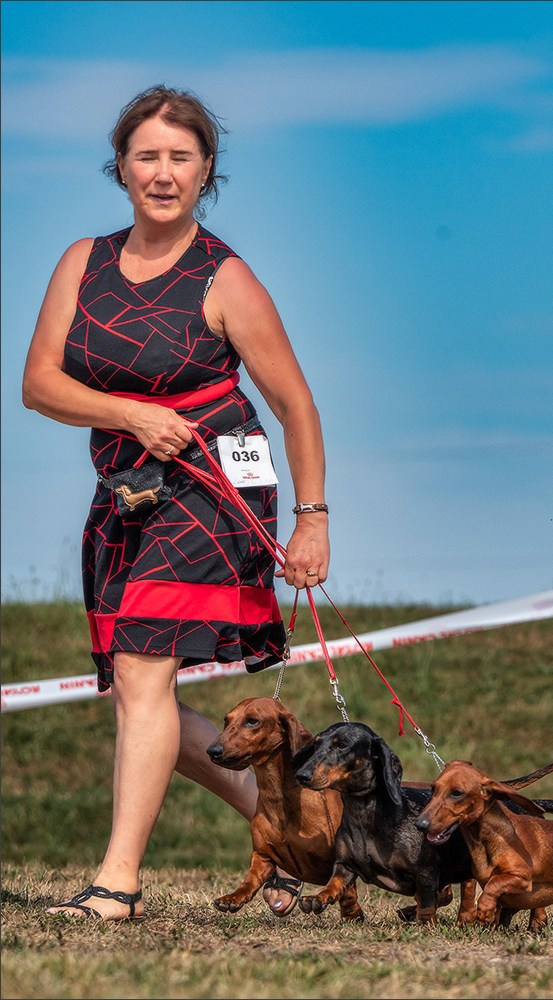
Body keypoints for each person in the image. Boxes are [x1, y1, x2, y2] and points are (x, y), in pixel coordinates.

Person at [22, 85, 330, 921]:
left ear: (205, 171)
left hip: (216, 488)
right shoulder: (82, 262)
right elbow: (40, 384)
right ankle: (297, 837)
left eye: (180, 158)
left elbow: (297, 404)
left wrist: (312, 518)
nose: (163, 173)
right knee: (136, 690)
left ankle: (117, 883)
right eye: (147, 156)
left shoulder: (225, 276)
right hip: (128, 487)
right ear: (121, 167)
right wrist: (128, 415)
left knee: (143, 667)